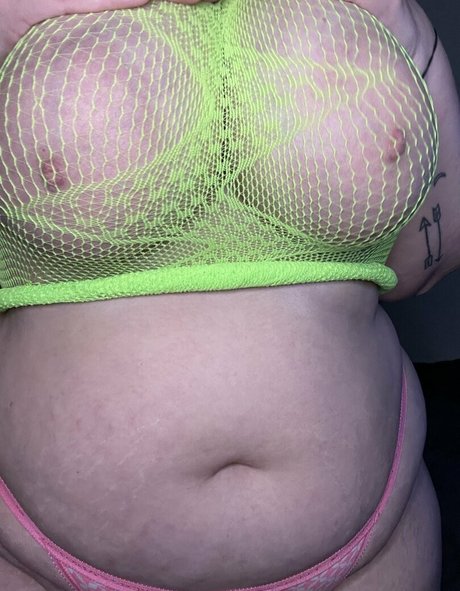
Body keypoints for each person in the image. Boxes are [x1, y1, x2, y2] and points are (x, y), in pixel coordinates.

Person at [0, 1, 458, 590]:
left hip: (372, 549)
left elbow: (423, 265)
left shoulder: (362, 16)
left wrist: (412, 43)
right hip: (38, 554)